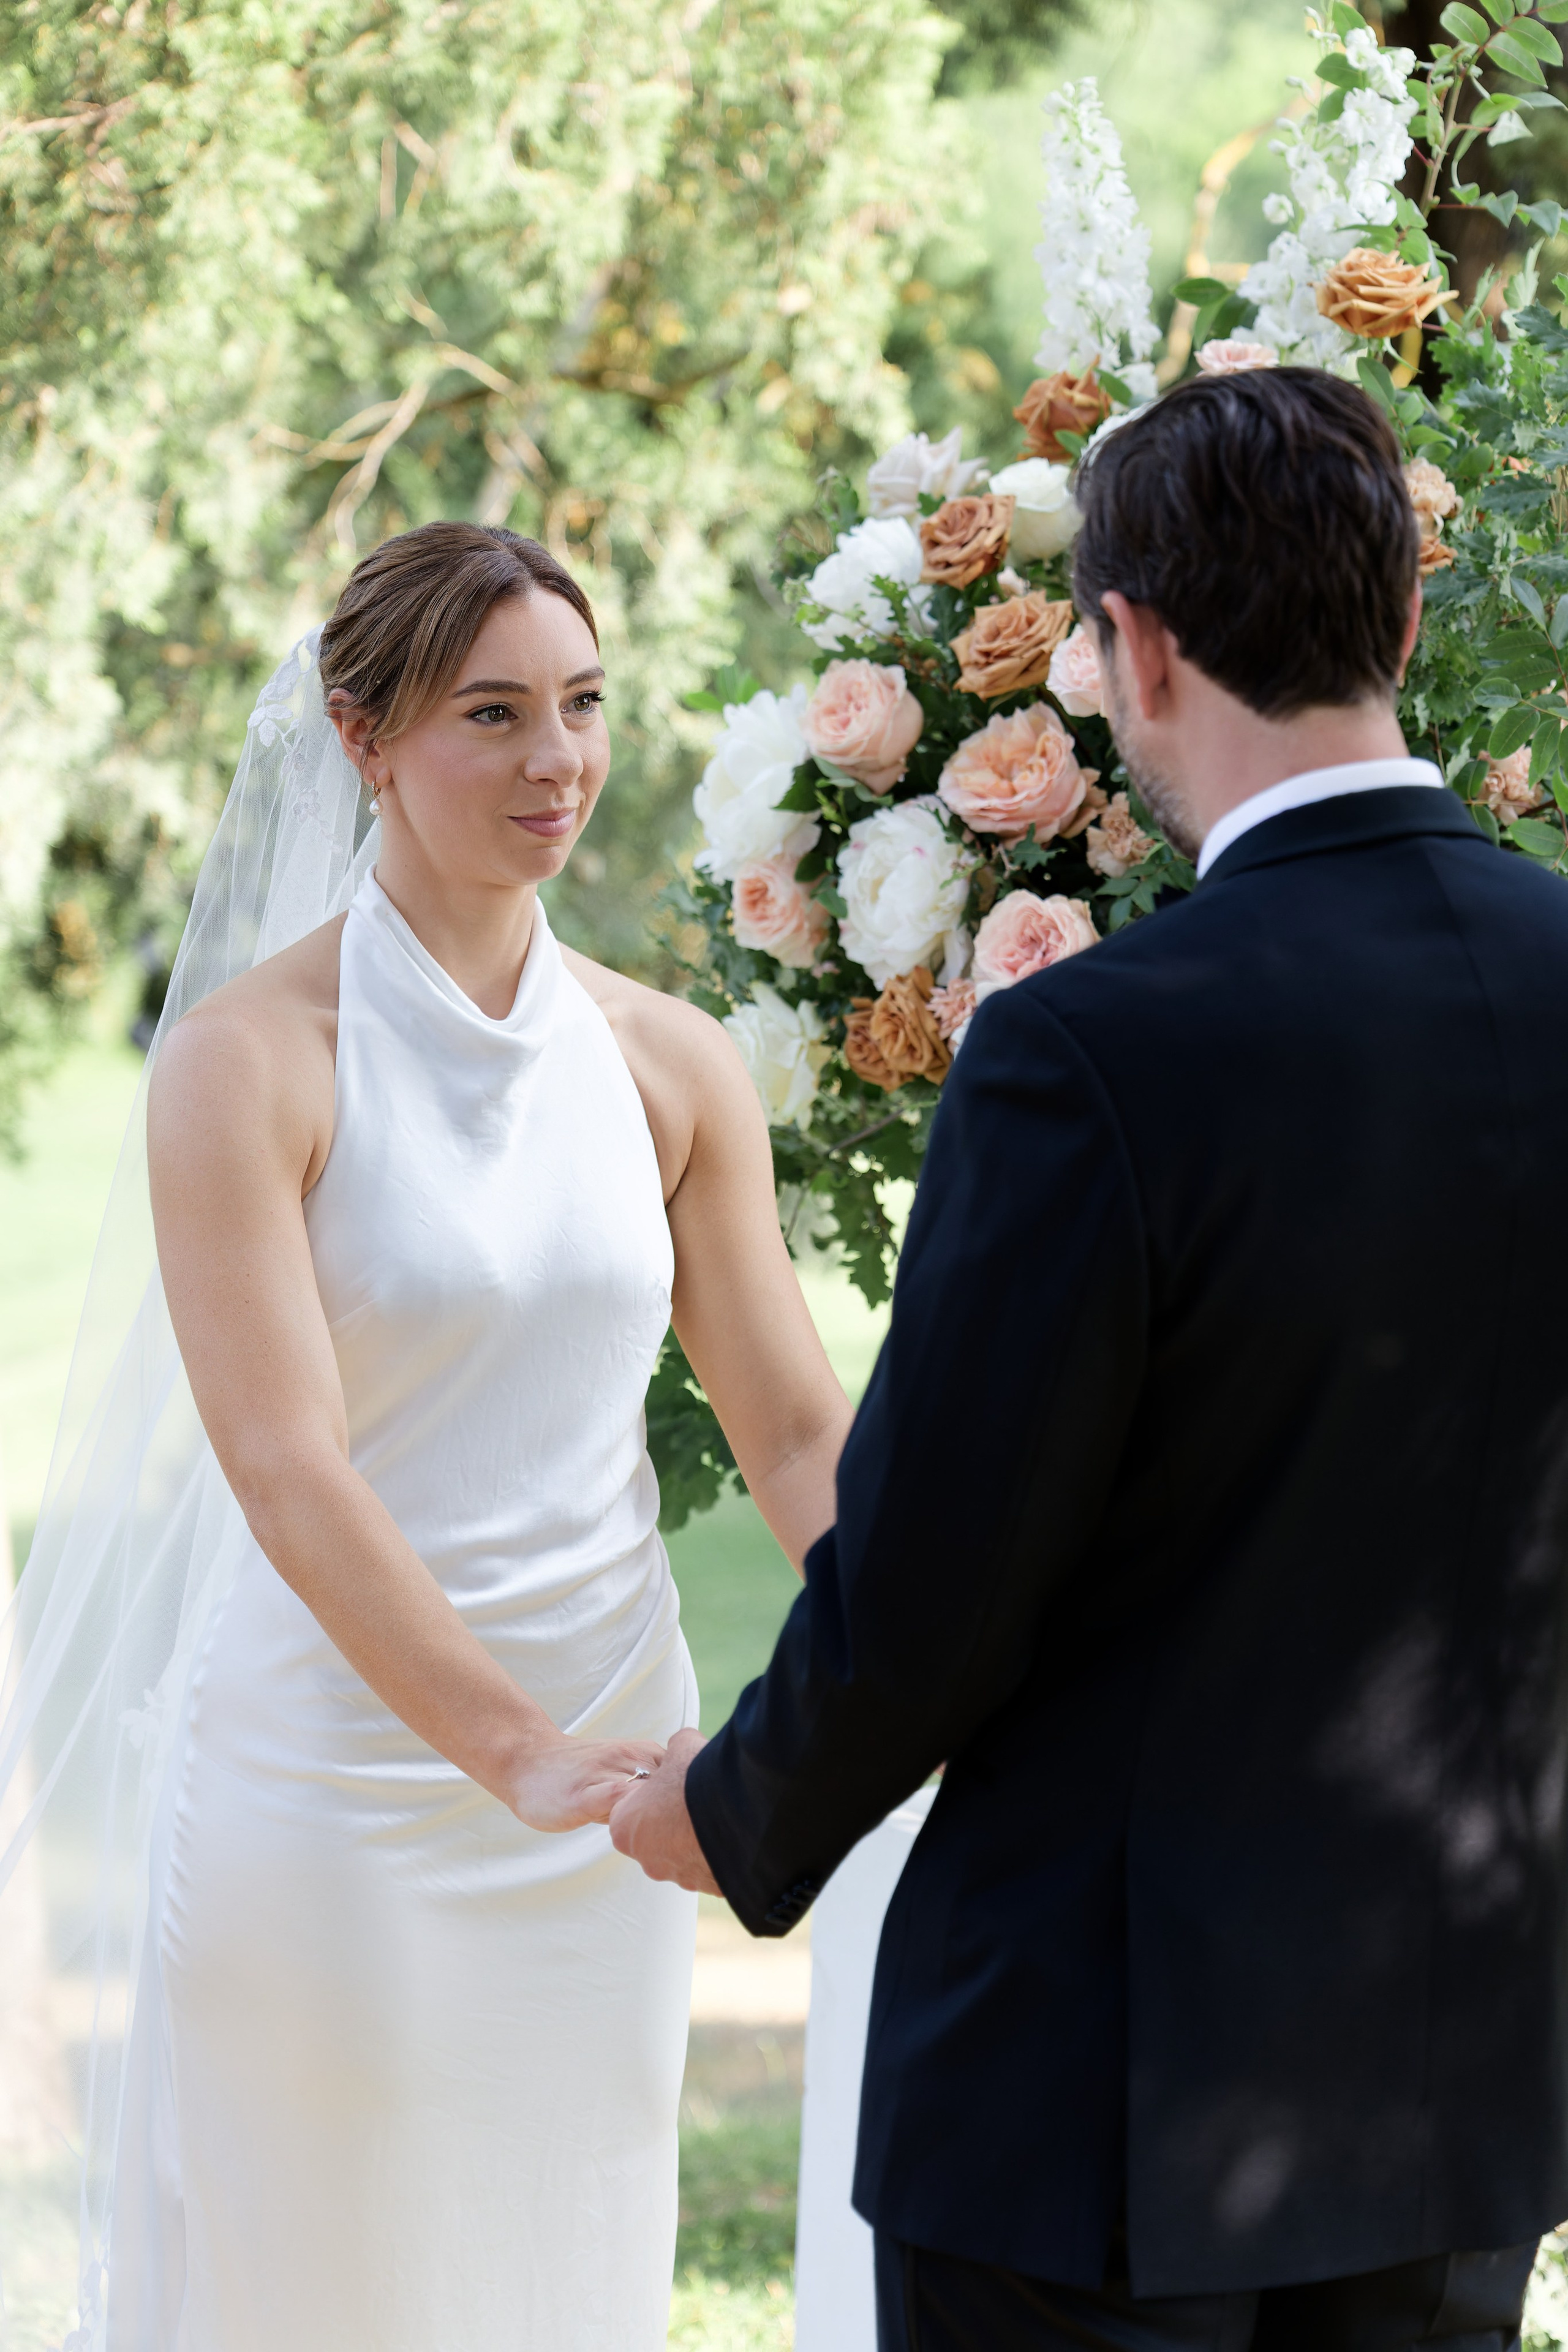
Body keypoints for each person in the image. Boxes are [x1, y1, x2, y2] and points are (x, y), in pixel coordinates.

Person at [611, 369, 1568, 2351]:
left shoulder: (1092, 1049)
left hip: (1104, 2087)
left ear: (1126, 649)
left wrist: (738, 1809)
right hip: (1465, 2051)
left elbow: (944, 1568)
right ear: (1400, 621)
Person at [64, 521, 850, 2349]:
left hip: (615, 1801)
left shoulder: (670, 1065)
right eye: (491, 715)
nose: (555, 759)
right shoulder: (254, 1061)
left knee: (557, 2276)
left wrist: (929, 1648)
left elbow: (798, 1427)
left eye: (579, 706)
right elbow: (285, 1467)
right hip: (336, 1786)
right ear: (362, 735)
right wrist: (510, 1749)